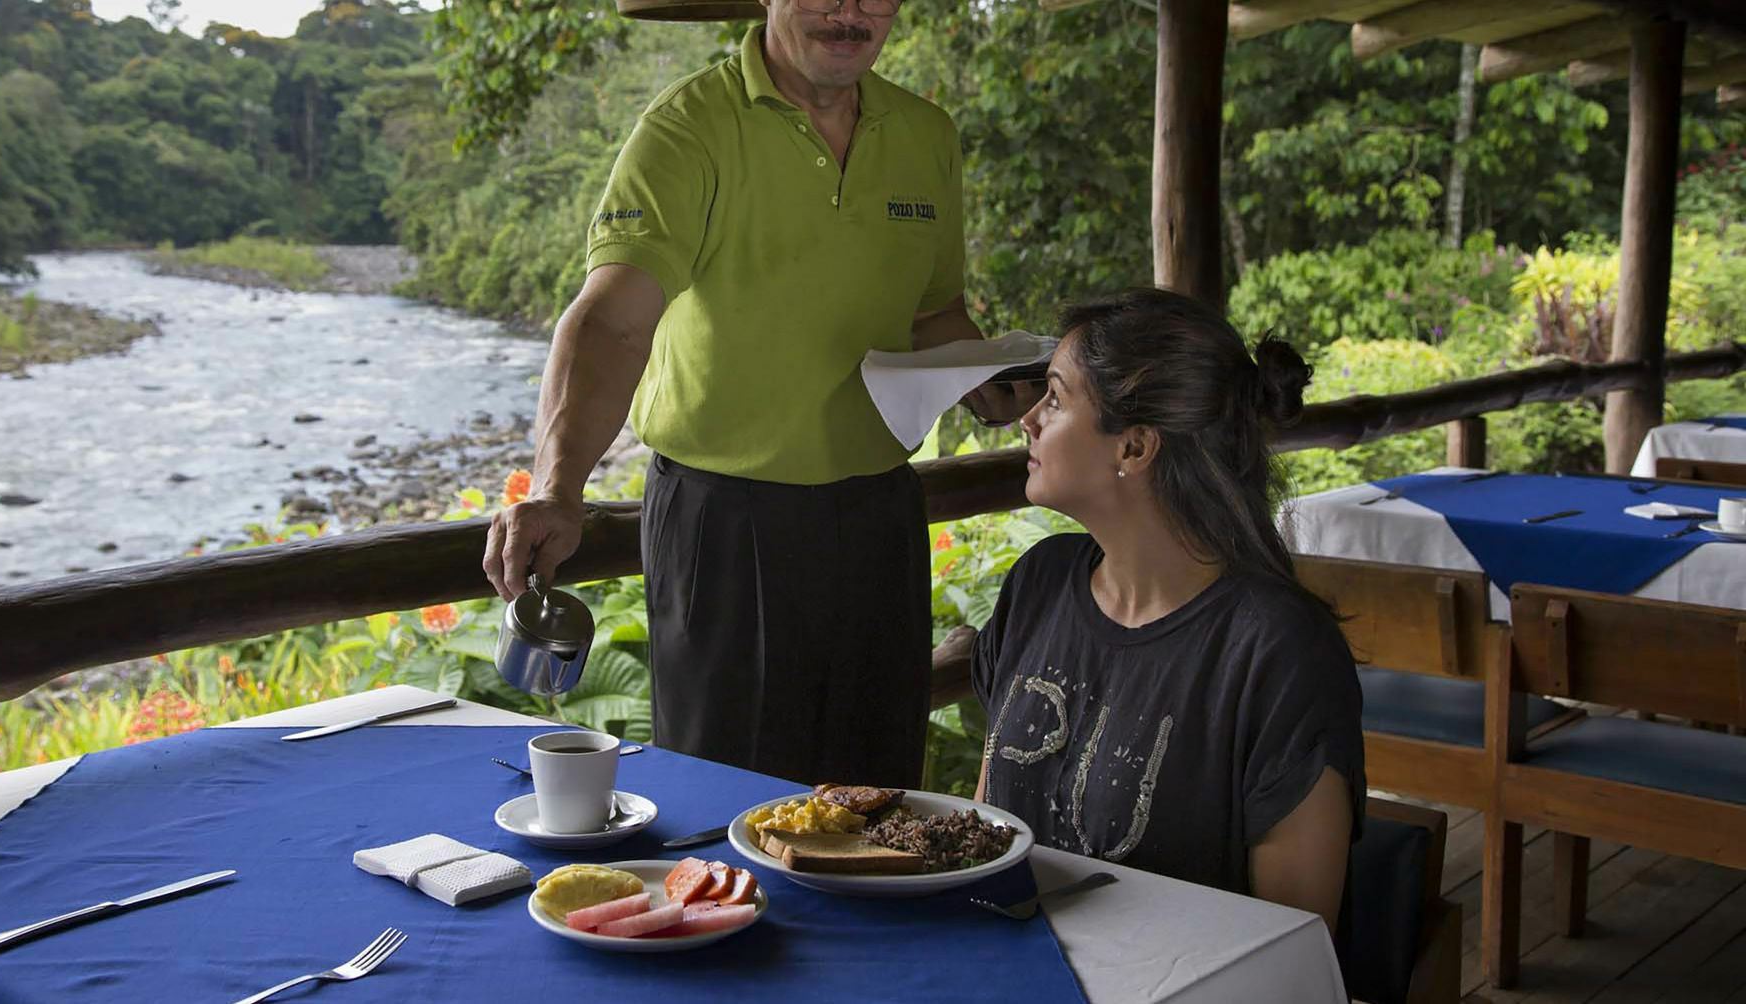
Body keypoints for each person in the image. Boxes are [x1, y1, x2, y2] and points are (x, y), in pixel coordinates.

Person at [481, 0, 1036, 788]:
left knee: (878, 788)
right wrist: (556, 489)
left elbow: (934, 311)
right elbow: (610, 322)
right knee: (727, 795)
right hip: (723, 519)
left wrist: (985, 373)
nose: (849, 11)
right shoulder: (688, 126)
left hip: (879, 513)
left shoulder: (925, 132)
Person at [933, 288, 1363, 926]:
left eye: (1055, 397)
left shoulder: (1277, 650)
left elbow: (1292, 940)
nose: (1029, 420)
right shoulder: (1039, 585)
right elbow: (989, 837)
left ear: (1133, 448)